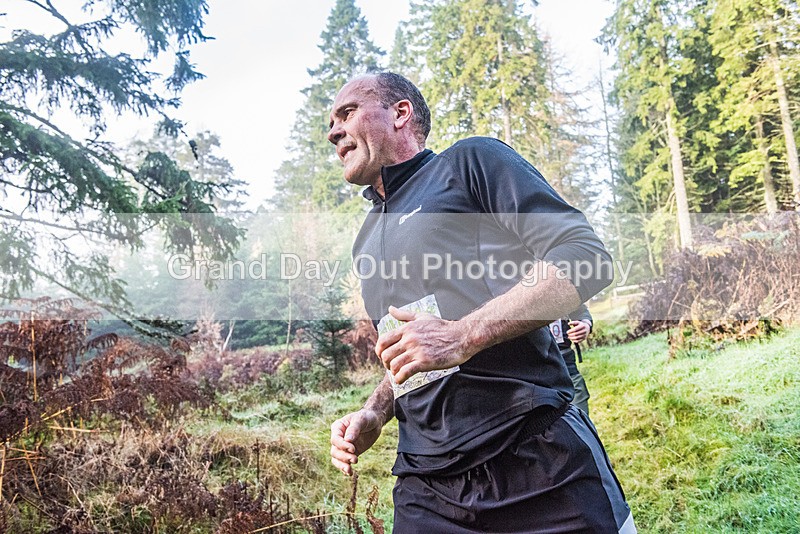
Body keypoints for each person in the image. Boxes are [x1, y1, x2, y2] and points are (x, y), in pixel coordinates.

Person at [327, 72, 635, 533]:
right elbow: (412, 351)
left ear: (400, 113)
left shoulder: (470, 162)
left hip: (537, 459)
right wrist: (375, 410)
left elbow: (585, 257)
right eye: (331, 123)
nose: (334, 132)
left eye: (347, 113)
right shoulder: (366, 239)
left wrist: (462, 336)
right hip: (426, 491)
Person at [550, 303, 593, 416]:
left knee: (581, 418)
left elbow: (580, 310)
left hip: (568, 368)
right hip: (530, 377)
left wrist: (585, 324)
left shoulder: (557, 293)